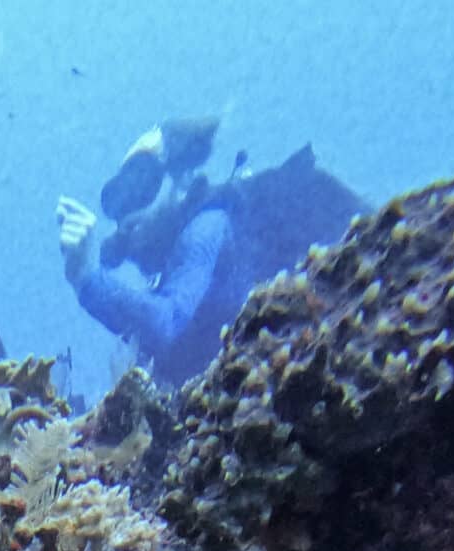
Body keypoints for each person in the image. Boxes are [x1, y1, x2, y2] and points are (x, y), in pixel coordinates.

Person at [58, 117, 366, 385]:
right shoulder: (172, 268)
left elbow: (166, 323)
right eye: (120, 198)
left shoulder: (207, 226)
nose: (128, 211)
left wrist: (87, 279)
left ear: (181, 181)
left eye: (143, 183)